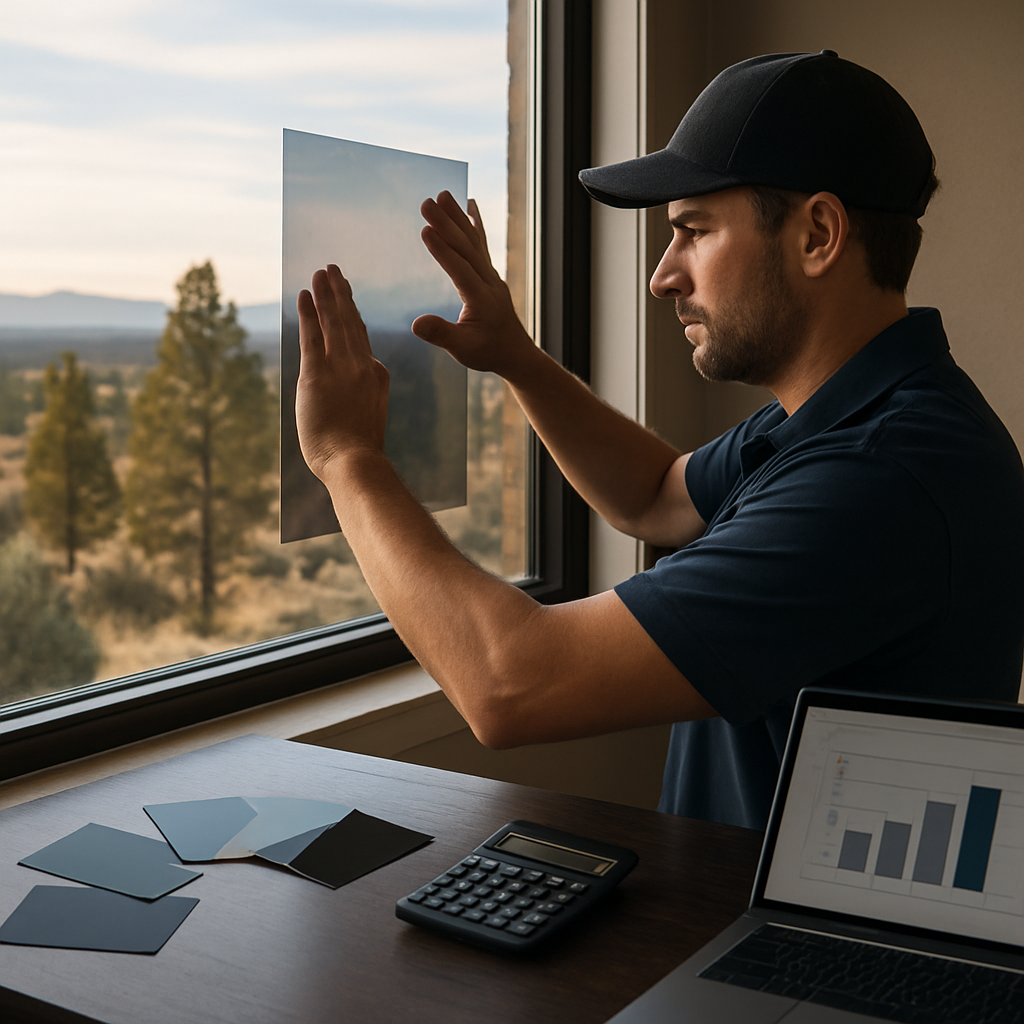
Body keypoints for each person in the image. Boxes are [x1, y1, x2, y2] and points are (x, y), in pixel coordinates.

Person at [294, 51, 1024, 830]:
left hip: (800, 946)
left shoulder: (881, 478)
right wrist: (516, 356)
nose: (662, 276)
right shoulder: (844, 415)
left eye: (693, 231)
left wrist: (348, 461)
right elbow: (655, 496)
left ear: (818, 234)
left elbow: (508, 684)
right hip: (727, 921)